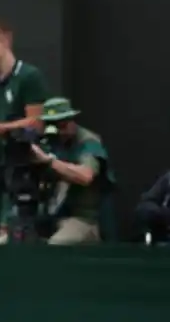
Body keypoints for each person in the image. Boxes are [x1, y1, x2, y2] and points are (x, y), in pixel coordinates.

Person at [0, 19, 50, 243]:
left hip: (22, 164)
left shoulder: (30, 76)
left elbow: (36, 123)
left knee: (14, 230)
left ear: (4, 41)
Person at [27, 97, 114, 245]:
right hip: (49, 216)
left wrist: (49, 161)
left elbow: (85, 176)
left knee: (56, 246)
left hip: (83, 218)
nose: (59, 131)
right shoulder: (48, 141)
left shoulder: (87, 141)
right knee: (8, 243)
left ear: (72, 121)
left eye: (62, 125)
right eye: (51, 125)